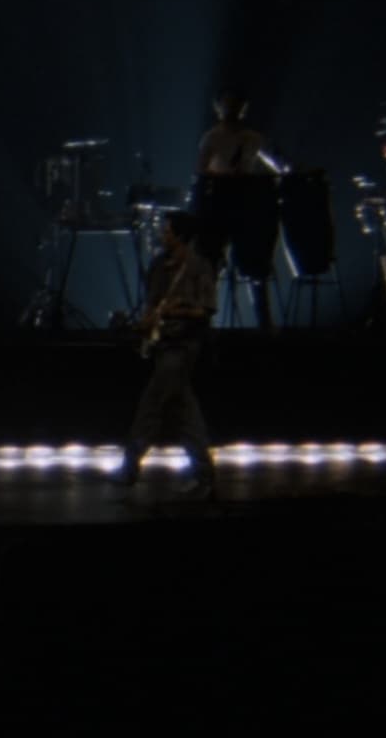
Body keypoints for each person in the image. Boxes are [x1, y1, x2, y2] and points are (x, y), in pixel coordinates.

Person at [115, 211, 218, 497]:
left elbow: (206, 310)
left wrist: (177, 311)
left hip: (183, 347)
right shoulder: (159, 266)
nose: (163, 235)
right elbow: (151, 305)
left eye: (168, 231)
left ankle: (130, 466)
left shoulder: (198, 267)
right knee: (184, 411)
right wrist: (145, 324)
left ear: (181, 236)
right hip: (162, 345)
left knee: (152, 405)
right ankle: (204, 474)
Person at [195, 91, 281, 329]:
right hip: (219, 202)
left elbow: (276, 162)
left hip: (246, 202)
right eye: (228, 104)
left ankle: (264, 322)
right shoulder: (212, 137)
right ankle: (205, 319)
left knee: (255, 262)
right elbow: (201, 170)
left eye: (237, 105)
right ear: (219, 108)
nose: (233, 109)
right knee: (213, 261)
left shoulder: (253, 138)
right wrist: (224, 177)